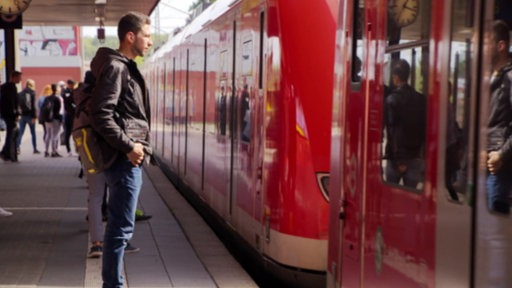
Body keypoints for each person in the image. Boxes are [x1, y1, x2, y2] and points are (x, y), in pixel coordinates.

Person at [88, 11, 153, 288]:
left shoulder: (121, 65)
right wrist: (129, 147)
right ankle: (113, 285)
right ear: (131, 36)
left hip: (126, 157)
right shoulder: (118, 68)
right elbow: (101, 114)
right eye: (146, 36)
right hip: (124, 159)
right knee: (120, 229)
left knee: (120, 227)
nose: (149, 42)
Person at [384, 59, 426, 188]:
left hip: (396, 159)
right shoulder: (421, 99)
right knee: (411, 197)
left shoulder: (391, 100)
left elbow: (393, 133)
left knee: (391, 196)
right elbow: (424, 129)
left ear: (395, 77)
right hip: (415, 156)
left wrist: (399, 160)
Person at [486, 20, 512, 215]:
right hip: (483, 162)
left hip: (498, 167)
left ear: (500, 46)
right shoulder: (488, 77)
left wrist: (501, 154)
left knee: (495, 231)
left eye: (485, 44)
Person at [0, 70, 23, 162]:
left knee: (10, 133)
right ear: (14, 77)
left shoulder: (5, 87)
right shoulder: (11, 88)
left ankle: (5, 152)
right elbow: (12, 102)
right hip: (10, 115)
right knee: (12, 134)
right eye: (19, 78)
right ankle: (8, 153)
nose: (20, 80)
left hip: (6, 114)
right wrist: (16, 113)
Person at [17, 79, 40, 154]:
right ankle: (35, 148)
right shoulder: (32, 93)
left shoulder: (20, 93)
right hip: (30, 116)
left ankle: (17, 147)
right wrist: (34, 117)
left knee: (21, 132)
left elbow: (17, 105)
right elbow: (33, 106)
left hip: (22, 116)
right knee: (33, 133)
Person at [42, 84, 63, 158]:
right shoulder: (57, 99)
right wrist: (60, 119)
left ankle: (46, 151)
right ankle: (54, 151)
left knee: (48, 135)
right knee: (55, 136)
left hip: (47, 119)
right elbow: (58, 110)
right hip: (55, 119)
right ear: (56, 90)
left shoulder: (47, 98)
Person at [62, 79, 75, 156]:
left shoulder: (73, 91)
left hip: (73, 115)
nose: (73, 86)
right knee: (68, 133)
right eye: (72, 84)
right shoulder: (66, 91)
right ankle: (68, 150)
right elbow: (68, 100)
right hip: (68, 115)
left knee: (74, 133)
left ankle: (76, 149)